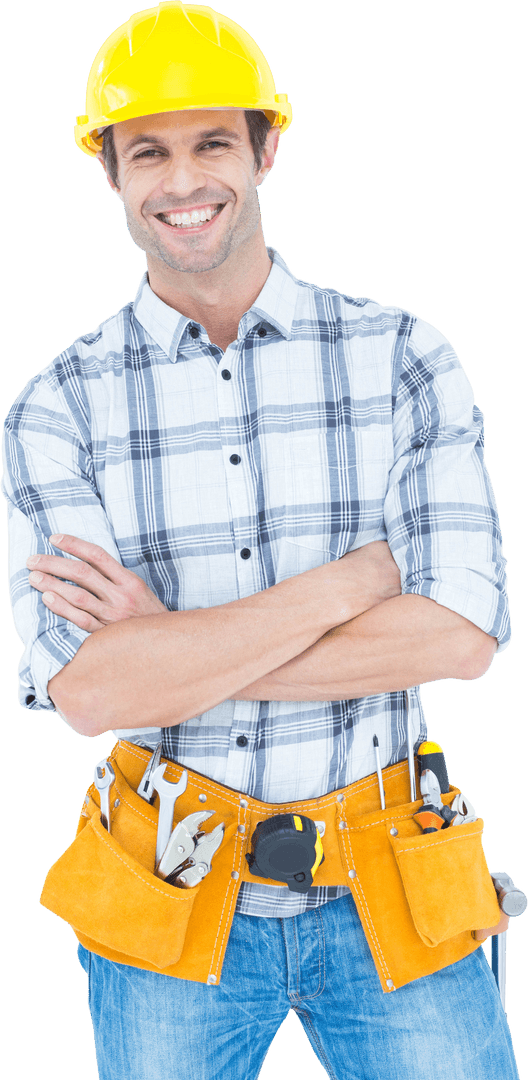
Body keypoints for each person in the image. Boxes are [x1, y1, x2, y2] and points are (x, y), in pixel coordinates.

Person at [1, 2, 519, 1077]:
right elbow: (92, 695)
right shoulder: (57, 408)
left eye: (212, 144)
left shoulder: (403, 357)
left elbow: (464, 636)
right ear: (109, 169)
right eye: (149, 151)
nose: (184, 182)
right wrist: (354, 583)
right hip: (167, 889)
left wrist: (174, 652)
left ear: (266, 147)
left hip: (393, 875)